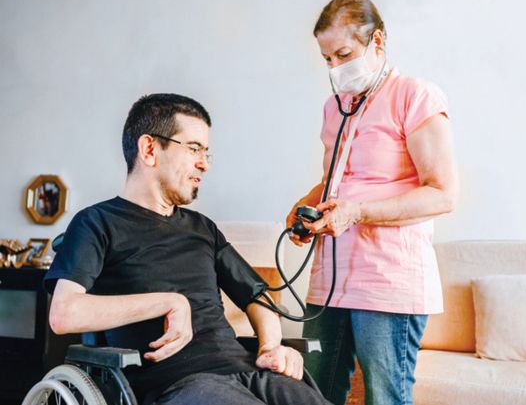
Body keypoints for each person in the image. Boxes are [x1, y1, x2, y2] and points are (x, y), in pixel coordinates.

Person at [45, 93, 332, 405]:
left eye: (207, 152)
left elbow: (256, 295)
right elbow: (64, 314)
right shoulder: (96, 223)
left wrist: (270, 347)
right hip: (178, 385)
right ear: (150, 149)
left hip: (249, 374)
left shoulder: (203, 228)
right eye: (194, 149)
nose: (205, 165)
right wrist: (169, 303)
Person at [286, 0, 459, 405]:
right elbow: (338, 180)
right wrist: (306, 206)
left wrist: (357, 213)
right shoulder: (336, 108)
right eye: (327, 58)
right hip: (330, 281)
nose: (335, 67)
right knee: (312, 394)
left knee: (385, 398)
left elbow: (443, 194)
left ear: (376, 40)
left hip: (387, 284)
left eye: (343, 54)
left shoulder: (415, 96)